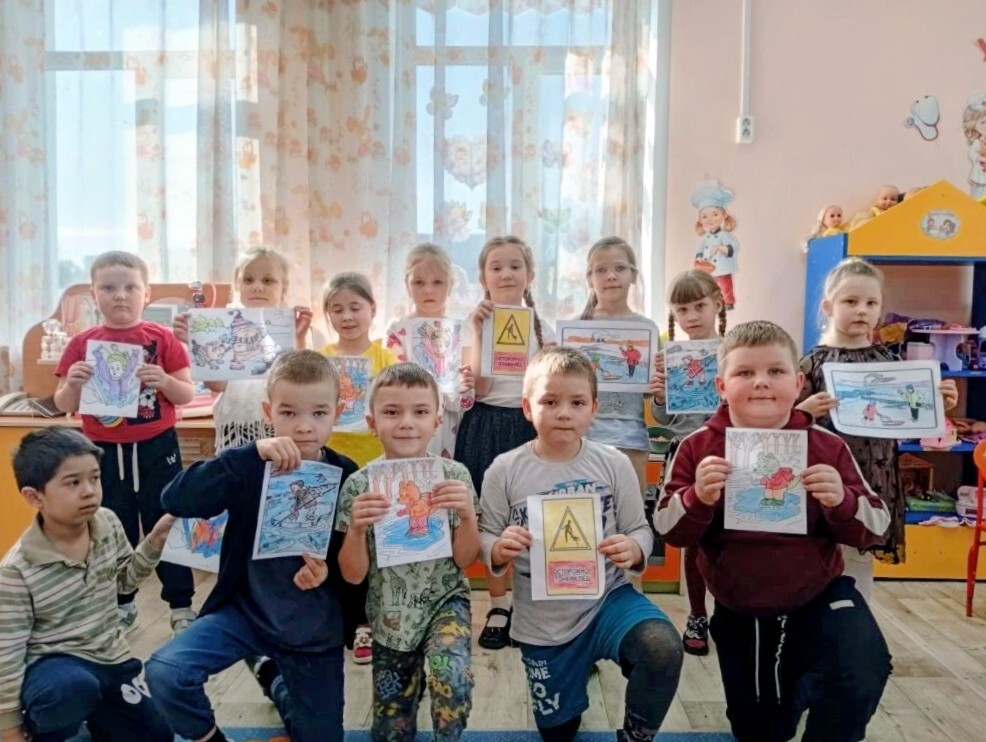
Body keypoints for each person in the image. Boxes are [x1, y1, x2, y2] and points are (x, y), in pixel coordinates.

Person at [656, 320, 893, 742]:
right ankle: (781, 708)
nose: (761, 382)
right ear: (721, 386)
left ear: (798, 383)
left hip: (817, 594)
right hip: (742, 604)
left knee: (861, 667)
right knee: (759, 729)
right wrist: (697, 497)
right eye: (745, 372)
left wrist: (843, 500)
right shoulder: (697, 446)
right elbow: (668, 530)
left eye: (776, 371)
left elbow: (876, 525)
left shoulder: (827, 446)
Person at [144, 350, 359, 742]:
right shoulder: (248, 465)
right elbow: (175, 499)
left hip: (313, 628)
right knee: (166, 672)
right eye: (288, 412)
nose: (304, 426)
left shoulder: (346, 474)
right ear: (268, 411)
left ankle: (272, 677)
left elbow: (353, 561)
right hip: (245, 613)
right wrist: (249, 453)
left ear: (338, 413)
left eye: (319, 413)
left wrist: (327, 571)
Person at [479, 347, 683, 742]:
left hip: (607, 600)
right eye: (549, 402)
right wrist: (499, 547)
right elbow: (486, 537)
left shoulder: (614, 463)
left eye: (577, 403)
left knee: (661, 647)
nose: (564, 413)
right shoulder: (504, 469)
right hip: (542, 621)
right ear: (527, 407)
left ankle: (636, 735)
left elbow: (640, 529)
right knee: (559, 733)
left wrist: (634, 548)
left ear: (594, 408)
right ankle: (572, 682)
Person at [52, 250, 197, 635]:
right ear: (93, 294)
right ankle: (122, 602)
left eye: (130, 287)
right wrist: (74, 384)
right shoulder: (82, 343)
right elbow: (62, 403)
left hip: (157, 446)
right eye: (108, 287)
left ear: (146, 294)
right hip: (102, 451)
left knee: (166, 519)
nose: (120, 295)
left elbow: (186, 392)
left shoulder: (162, 338)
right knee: (111, 526)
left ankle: (181, 605)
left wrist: (165, 381)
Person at [0, 426, 174, 742]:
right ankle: (54, 732)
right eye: (73, 483)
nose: (89, 491)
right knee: (72, 689)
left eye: (94, 478)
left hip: (110, 659)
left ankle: (93, 725)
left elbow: (124, 583)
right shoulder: (16, 570)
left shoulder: (107, 522)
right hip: (54, 670)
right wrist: (9, 729)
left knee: (157, 734)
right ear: (34, 496)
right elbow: (6, 651)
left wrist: (155, 540)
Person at [797, 257, 957, 599]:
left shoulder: (890, 362)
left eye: (871, 303)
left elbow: (910, 417)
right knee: (817, 558)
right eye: (850, 301)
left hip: (874, 476)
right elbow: (785, 424)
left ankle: (857, 624)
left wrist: (938, 404)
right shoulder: (813, 363)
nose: (862, 310)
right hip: (825, 478)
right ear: (828, 307)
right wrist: (803, 411)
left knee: (859, 561)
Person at [336, 362, 480, 740]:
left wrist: (467, 515)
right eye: (391, 412)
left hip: (445, 601)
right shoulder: (359, 486)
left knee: (452, 680)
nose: (406, 423)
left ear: (437, 421)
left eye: (420, 412)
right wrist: (356, 530)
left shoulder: (455, 477)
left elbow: (465, 560)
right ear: (372, 422)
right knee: (392, 729)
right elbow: (352, 575)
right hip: (389, 618)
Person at [454, 235, 555, 650]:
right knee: (490, 519)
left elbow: (552, 385)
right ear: (483, 277)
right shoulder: (471, 323)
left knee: (534, 516)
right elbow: (478, 388)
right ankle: (499, 604)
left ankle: (534, 605)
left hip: (529, 426)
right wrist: (481, 331)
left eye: (515, 266)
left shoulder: (543, 328)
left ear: (530, 275)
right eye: (496, 267)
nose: (506, 274)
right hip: (484, 423)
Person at [319, 271, 398, 663]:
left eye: (355, 307)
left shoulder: (386, 359)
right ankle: (346, 620)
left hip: (375, 467)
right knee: (338, 543)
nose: (347, 316)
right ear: (327, 315)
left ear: (372, 309)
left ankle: (370, 620)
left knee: (376, 545)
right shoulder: (322, 360)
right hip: (332, 466)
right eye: (337, 309)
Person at [650, 269, 728, 656]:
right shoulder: (671, 357)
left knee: (731, 535)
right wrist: (661, 397)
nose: (692, 316)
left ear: (718, 303)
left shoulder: (735, 350)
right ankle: (697, 614)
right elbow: (665, 420)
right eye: (683, 310)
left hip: (730, 451)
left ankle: (730, 610)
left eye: (699, 306)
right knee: (694, 539)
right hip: (686, 452)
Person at [174, 246, 314, 452]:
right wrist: (196, 343)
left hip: (280, 428)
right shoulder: (224, 327)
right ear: (238, 286)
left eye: (268, 280)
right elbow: (216, 385)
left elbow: (301, 382)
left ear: (283, 288)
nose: (257, 287)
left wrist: (299, 338)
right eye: (248, 280)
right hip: (236, 428)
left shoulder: (293, 326)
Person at [576, 236, 661, 525]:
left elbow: (651, 393)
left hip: (631, 440)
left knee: (629, 520)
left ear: (633, 275)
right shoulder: (576, 328)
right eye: (601, 270)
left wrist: (659, 389)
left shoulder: (646, 328)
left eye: (620, 268)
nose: (611, 276)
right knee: (586, 520)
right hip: (583, 438)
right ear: (590, 278)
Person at [385, 243, 475, 458]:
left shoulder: (463, 331)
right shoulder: (396, 329)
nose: (428, 290)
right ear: (407, 285)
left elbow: (463, 399)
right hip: (407, 423)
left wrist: (464, 387)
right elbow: (391, 384)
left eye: (437, 282)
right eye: (418, 282)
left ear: (450, 286)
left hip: (448, 428)